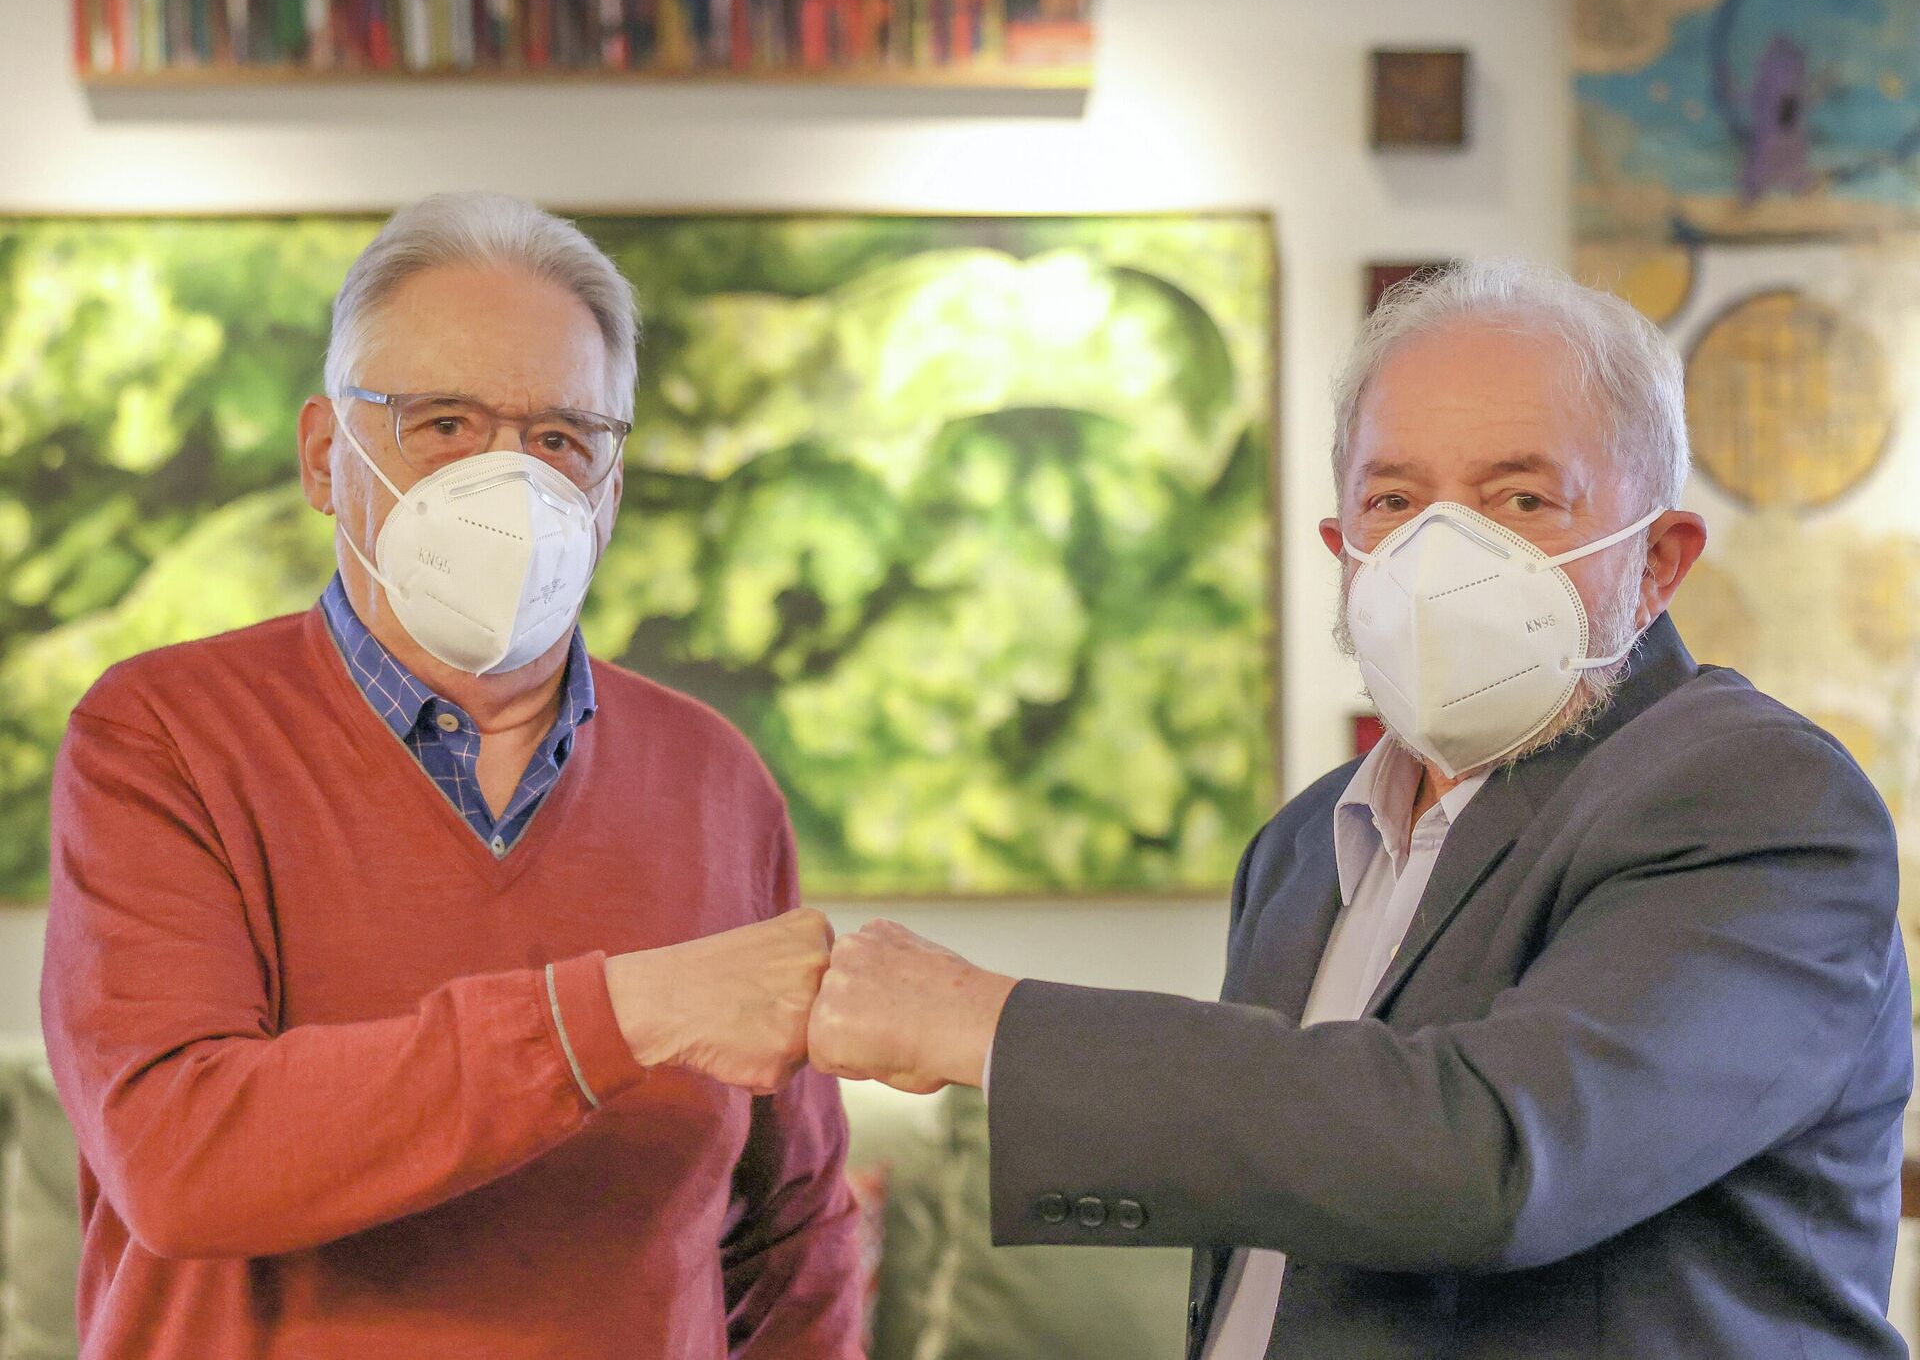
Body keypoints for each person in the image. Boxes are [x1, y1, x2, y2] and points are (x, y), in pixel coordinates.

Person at [809, 259, 1913, 1358]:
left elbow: (1494, 1159)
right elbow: (1283, 1183)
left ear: (1659, 561)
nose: (1443, 554)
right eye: (1395, 501)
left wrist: (992, 1023)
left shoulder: (1761, 800)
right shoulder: (1306, 842)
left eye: (1521, 499)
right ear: (1343, 553)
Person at [41, 193, 861, 1359]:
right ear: (325, 455)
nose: (508, 481)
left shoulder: (714, 780)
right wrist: (622, 1013)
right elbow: (180, 1158)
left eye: (562, 439)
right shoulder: (161, 736)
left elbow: (793, 1231)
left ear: (612, 486)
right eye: (443, 423)